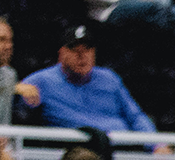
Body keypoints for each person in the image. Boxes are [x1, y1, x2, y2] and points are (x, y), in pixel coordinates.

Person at [21, 27, 156, 134]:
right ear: (62, 54)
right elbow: (16, 100)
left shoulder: (109, 78)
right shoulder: (41, 81)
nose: (82, 56)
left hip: (117, 148)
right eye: (75, 50)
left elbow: (135, 116)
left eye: (87, 50)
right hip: (72, 152)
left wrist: (156, 144)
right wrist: (18, 90)